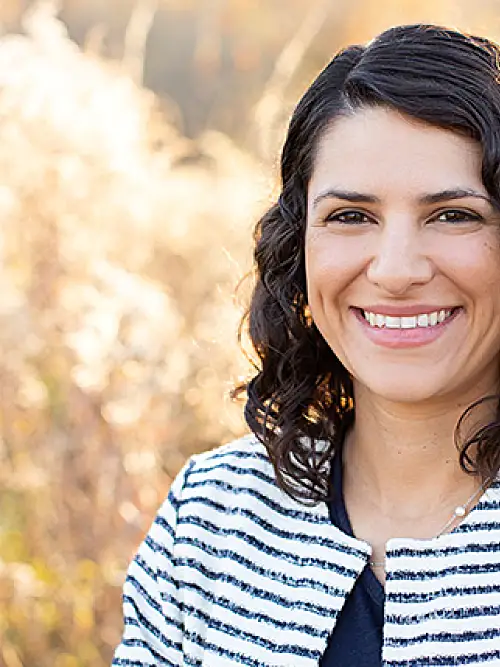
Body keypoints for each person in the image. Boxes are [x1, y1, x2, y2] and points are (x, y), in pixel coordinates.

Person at [112, 23, 500, 667]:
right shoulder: (210, 515)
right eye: (351, 216)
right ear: (299, 247)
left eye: (453, 214)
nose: (394, 269)